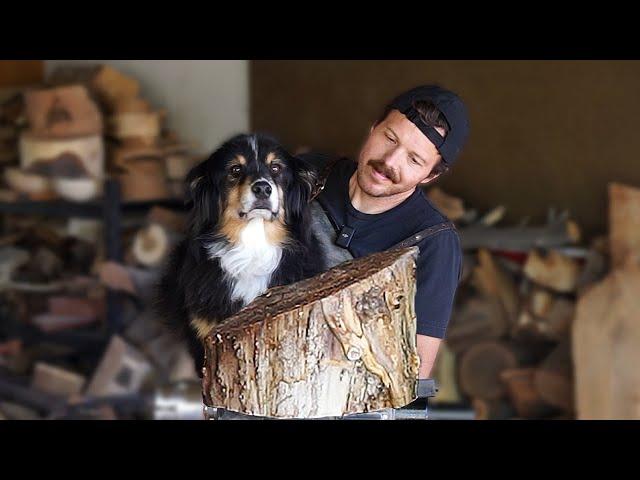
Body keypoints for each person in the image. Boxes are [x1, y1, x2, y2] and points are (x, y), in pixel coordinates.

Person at [302, 85, 470, 378]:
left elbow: (412, 374)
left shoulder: (433, 242)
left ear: (430, 175)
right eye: (389, 138)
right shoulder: (305, 175)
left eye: (414, 160)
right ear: (373, 127)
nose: (390, 162)